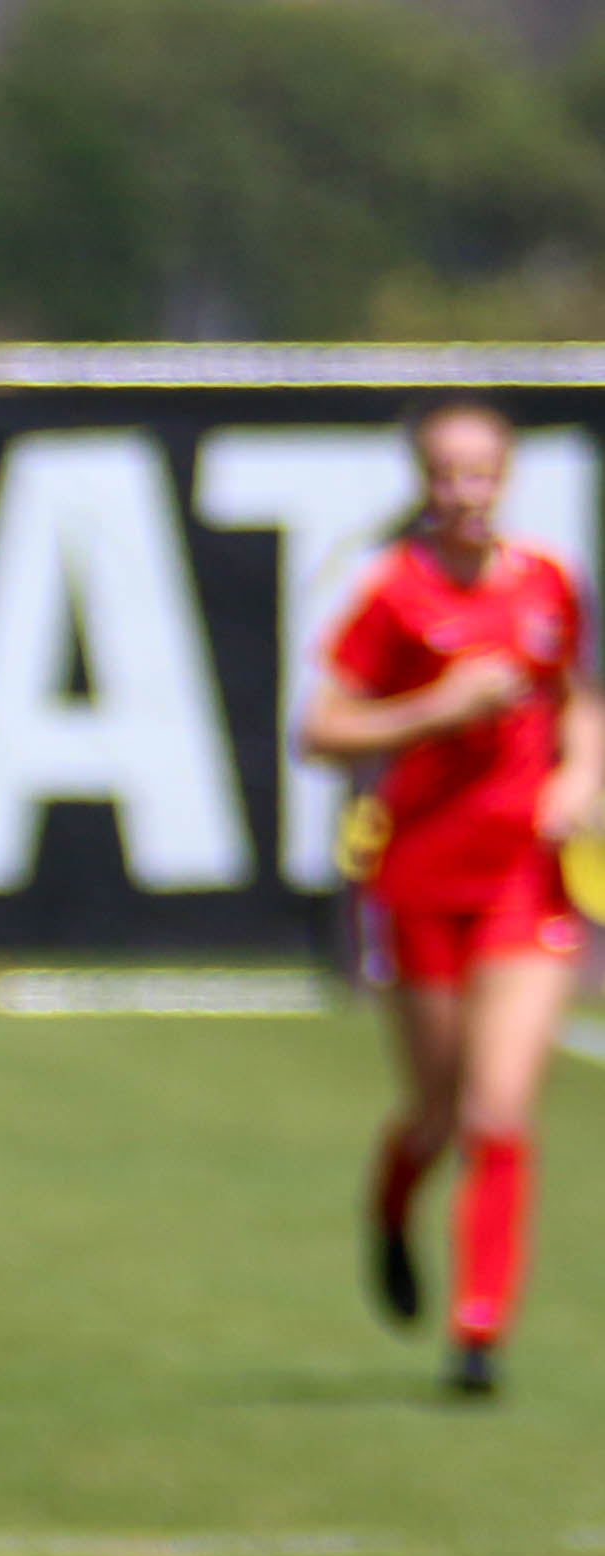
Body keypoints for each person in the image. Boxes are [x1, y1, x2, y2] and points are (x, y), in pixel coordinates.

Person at [306, 395, 603, 1399]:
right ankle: (391, 1206)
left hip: (522, 878)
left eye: (480, 473)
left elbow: (582, 700)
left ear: (506, 475)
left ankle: (478, 1332)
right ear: (422, 480)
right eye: (445, 474)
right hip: (420, 875)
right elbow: (322, 730)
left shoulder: (550, 582)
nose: (463, 493)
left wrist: (576, 779)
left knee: (498, 1109)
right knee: (433, 1113)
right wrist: (435, 708)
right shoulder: (393, 593)